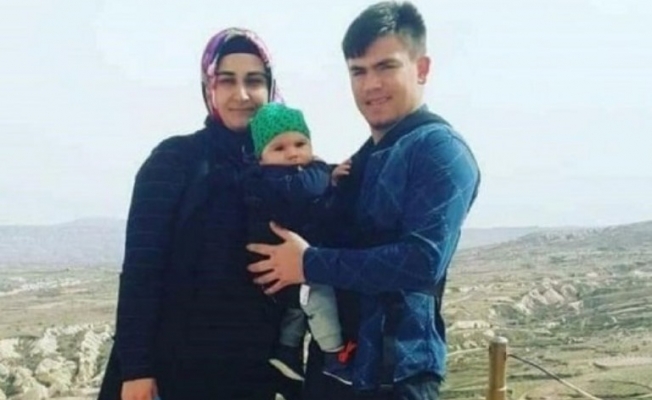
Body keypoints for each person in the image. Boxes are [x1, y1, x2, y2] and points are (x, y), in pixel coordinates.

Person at [246, 2, 481, 399]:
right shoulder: (363, 158)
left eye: (385, 67)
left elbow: (422, 261)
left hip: (396, 376)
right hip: (335, 369)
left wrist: (308, 263)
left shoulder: (440, 151)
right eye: (358, 71)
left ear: (421, 69)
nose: (371, 84)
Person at [98, 28, 302, 400]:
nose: (241, 94)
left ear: (270, 87)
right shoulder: (175, 160)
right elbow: (142, 270)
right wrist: (137, 369)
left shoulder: (289, 170)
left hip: (249, 375)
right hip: (170, 371)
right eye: (227, 81)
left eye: (254, 81)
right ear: (209, 87)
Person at [242, 102, 352, 385]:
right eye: (279, 148)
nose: (292, 153)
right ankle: (334, 355)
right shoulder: (272, 180)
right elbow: (308, 187)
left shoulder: (282, 177)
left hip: (284, 266)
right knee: (320, 297)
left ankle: (287, 351)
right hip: (286, 263)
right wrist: (324, 169)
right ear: (261, 157)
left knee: (297, 309)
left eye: (300, 144)